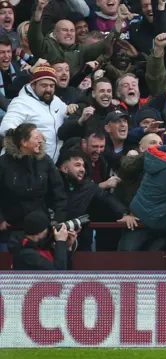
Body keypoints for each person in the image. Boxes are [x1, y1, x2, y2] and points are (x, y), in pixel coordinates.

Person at [0, 123, 67, 252]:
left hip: (41, 230)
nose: (40, 141)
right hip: (11, 229)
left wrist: (58, 221)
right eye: (36, 138)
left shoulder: (45, 161)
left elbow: (59, 194)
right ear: (24, 142)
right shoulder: (3, 164)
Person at [0, 65, 66, 162]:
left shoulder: (56, 101)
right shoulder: (21, 102)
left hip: (48, 166)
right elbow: (6, 126)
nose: (48, 89)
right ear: (33, 85)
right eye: (44, 85)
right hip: (20, 164)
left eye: (51, 86)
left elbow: (68, 113)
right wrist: (24, 136)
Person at [9, 212, 76, 270]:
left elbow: (66, 273)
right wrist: (60, 242)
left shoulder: (40, 246)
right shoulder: (27, 254)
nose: (47, 231)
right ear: (39, 231)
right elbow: (58, 273)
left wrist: (67, 247)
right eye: (46, 228)